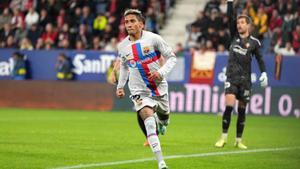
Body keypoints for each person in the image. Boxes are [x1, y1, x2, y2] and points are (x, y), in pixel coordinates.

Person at [116, 9, 177, 169]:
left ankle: (162, 121)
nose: (128, 24)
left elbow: (172, 58)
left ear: (141, 24)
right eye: (126, 22)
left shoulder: (154, 39)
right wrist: (120, 86)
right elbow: (124, 66)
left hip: (159, 88)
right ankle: (161, 163)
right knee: (149, 123)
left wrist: (160, 72)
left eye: (132, 21)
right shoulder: (122, 46)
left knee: (165, 119)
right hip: (139, 91)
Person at [215, 0, 268, 149]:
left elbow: (260, 58)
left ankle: (238, 140)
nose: (239, 25)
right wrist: (230, 3)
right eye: (238, 23)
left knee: (242, 110)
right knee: (229, 106)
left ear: (248, 25)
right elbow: (230, 17)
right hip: (231, 78)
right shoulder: (234, 36)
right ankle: (223, 137)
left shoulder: (254, 43)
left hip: (245, 81)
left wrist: (264, 73)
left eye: (242, 23)